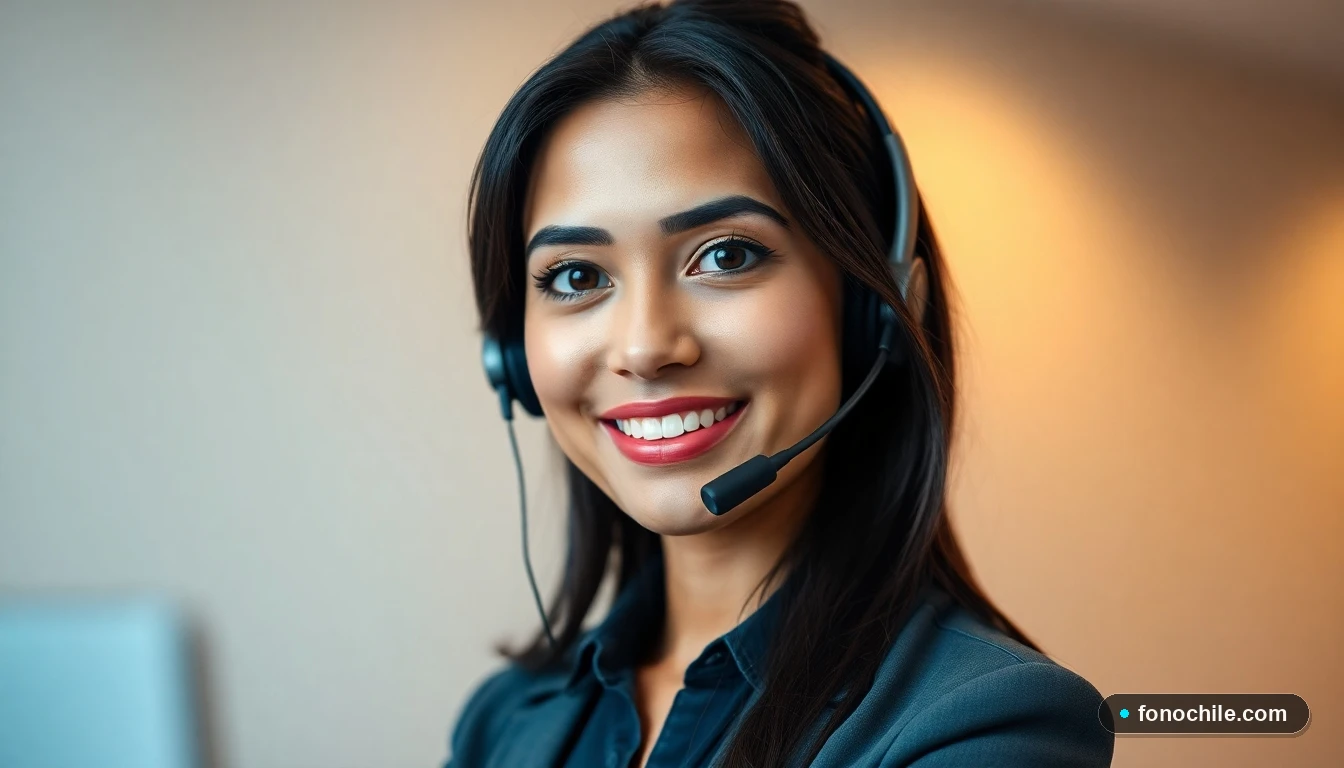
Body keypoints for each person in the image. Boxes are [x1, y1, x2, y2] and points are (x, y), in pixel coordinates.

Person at [447, 1, 1114, 766]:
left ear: (878, 311)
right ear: (511, 356)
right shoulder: (502, 725)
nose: (644, 346)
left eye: (726, 255)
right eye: (575, 275)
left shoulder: (989, 724)